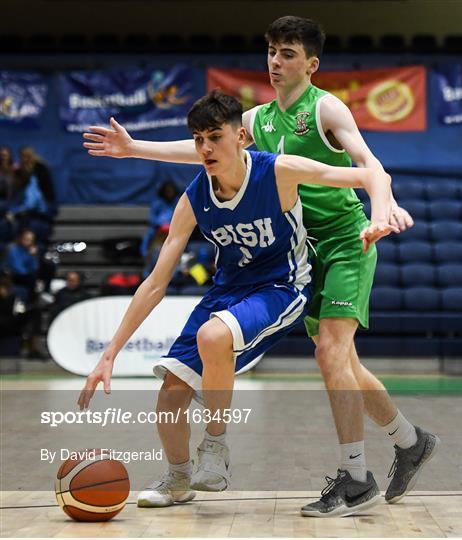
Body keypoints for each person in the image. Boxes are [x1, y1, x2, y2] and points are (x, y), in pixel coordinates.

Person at [82, 17, 440, 517]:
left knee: (331, 353)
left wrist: (383, 210)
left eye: (288, 53)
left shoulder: (326, 106)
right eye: (271, 51)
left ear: (311, 64)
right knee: (345, 364)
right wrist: (135, 148)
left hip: (343, 240)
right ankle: (409, 440)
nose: (275, 61)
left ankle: (356, 477)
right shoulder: (259, 119)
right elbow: (207, 146)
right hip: (301, 247)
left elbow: (367, 163)